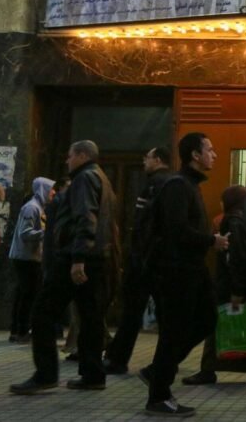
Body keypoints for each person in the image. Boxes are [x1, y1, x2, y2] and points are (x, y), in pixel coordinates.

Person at [11, 141, 119, 395]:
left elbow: (86, 216)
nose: (66, 161)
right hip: (97, 259)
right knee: (91, 319)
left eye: (70, 156)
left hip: (75, 259)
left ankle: (45, 375)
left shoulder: (84, 178)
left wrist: (78, 258)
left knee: (42, 313)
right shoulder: (103, 179)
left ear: (82, 155)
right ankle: (93, 375)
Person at [143, 132, 228, 417]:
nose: (214, 154)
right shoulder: (178, 186)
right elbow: (176, 230)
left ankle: (157, 371)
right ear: (195, 154)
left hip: (191, 268)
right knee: (174, 331)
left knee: (206, 319)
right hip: (176, 270)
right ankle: (158, 393)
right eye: (210, 149)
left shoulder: (189, 185)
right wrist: (210, 241)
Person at [183, 185, 246, 385]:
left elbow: (237, 258)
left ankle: (209, 370)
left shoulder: (232, 223)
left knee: (220, 325)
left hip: (233, 287)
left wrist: (236, 291)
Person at [103, 146, 172, 375]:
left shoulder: (154, 184)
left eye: (148, 157)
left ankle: (117, 358)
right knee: (164, 314)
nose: (144, 161)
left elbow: (144, 224)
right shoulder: (168, 183)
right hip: (158, 260)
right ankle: (165, 360)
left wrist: (138, 255)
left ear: (158, 160)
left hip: (145, 259)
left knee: (132, 312)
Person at [9, 177, 55, 343]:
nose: (53, 193)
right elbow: (25, 233)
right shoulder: (31, 208)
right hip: (25, 258)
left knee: (25, 293)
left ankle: (18, 330)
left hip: (31, 257)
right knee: (27, 295)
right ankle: (21, 330)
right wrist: (47, 232)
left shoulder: (39, 208)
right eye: (50, 189)